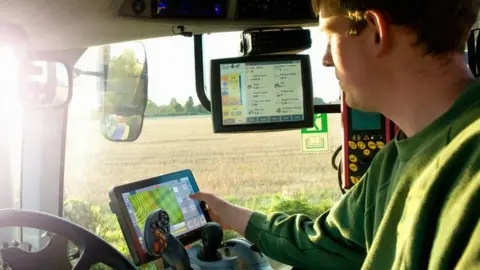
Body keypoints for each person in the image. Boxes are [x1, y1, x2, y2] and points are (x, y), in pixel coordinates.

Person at [191, 0, 480, 269]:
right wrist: (229, 214)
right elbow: (324, 243)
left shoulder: (470, 168)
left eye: (331, 37)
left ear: (376, 31)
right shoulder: (393, 161)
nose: (327, 59)